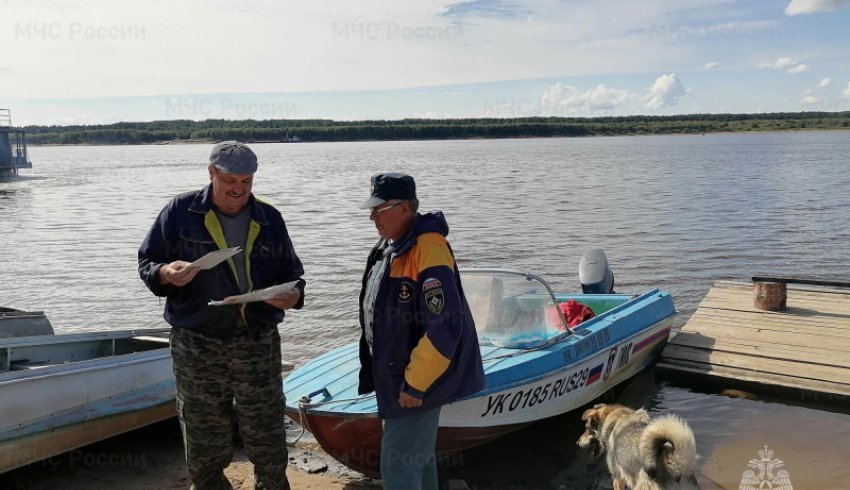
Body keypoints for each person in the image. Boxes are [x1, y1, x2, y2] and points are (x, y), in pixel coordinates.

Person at [138, 141, 305, 490]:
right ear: (211, 173)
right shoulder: (180, 211)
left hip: (257, 341)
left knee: (267, 431)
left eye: (247, 181)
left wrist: (292, 295)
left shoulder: (269, 218)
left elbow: (293, 274)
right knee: (202, 433)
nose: (238, 189)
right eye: (231, 180)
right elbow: (148, 263)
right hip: (196, 344)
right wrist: (167, 272)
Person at [357, 173, 485, 490]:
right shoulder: (391, 245)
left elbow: (446, 325)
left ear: (404, 208)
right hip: (398, 378)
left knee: (398, 468)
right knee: (419, 459)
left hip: (414, 383)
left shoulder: (429, 248)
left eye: (379, 209)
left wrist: (415, 384)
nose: (372, 217)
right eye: (371, 210)